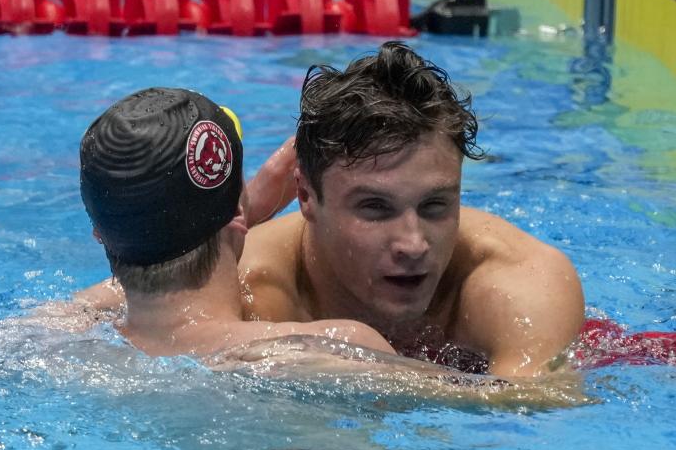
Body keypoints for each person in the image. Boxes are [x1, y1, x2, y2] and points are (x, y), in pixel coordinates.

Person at [238, 41, 585, 377]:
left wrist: (368, 371)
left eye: (435, 205)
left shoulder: (519, 279)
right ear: (306, 197)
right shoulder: (254, 288)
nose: (414, 243)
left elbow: (539, 404)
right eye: (375, 208)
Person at [77, 86, 394, 358]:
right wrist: (239, 212)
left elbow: (92, 299)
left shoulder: (67, 339)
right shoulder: (338, 349)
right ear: (241, 212)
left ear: (98, 234)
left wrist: (236, 212)